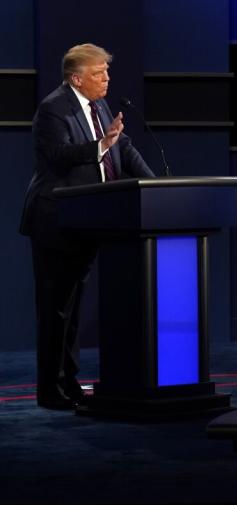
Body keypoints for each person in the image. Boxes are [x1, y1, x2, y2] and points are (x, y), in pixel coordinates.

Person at [18, 43, 155, 409]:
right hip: (55, 219)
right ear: (77, 78)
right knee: (55, 308)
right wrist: (100, 145)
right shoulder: (52, 109)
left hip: (87, 218)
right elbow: (59, 157)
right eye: (99, 74)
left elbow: (121, 148)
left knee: (73, 309)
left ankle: (70, 382)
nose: (106, 79)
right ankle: (50, 390)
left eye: (107, 72)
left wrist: (156, 187)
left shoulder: (99, 106)